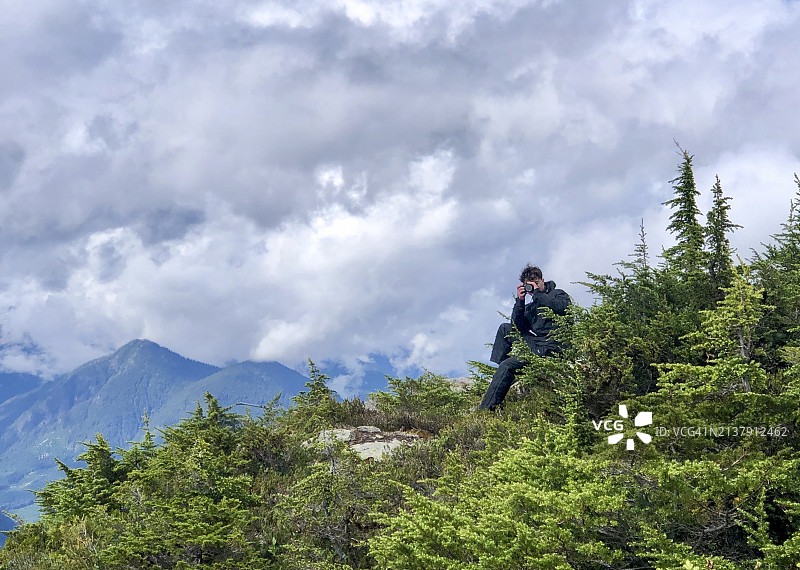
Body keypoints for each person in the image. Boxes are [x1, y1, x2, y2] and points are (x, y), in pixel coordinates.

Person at [478, 265, 571, 411]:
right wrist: (520, 301)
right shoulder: (532, 307)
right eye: (529, 285)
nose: (533, 288)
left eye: (536, 283)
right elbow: (517, 327)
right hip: (538, 345)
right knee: (505, 329)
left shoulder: (558, 294)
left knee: (507, 365)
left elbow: (563, 308)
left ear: (542, 280)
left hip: (554, 347)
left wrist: (538, 294)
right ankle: (505, 375)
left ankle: (485, 410)